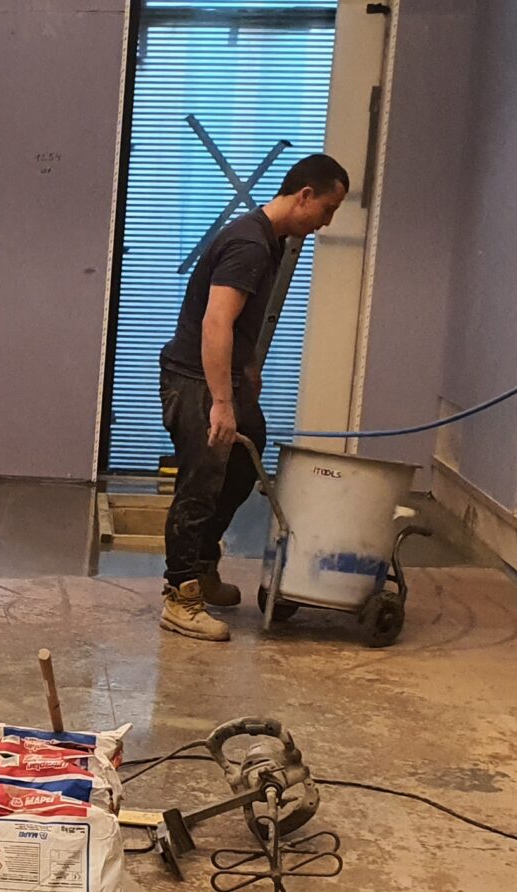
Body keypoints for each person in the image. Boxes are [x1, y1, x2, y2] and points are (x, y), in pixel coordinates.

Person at [158, 153, 350, 642]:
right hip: (194, 380)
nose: (327, 222)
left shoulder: (270, 241)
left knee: (246, 460)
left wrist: (246, 370)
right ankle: (180, 595)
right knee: (201, 483)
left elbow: (238, 323)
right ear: (304, 195)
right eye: (327, 209)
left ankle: (202, 563)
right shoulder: (248, 244)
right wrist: (222, 403)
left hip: (221, 378)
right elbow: (216, 321)